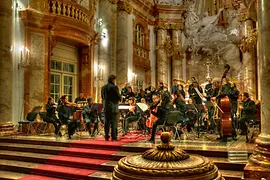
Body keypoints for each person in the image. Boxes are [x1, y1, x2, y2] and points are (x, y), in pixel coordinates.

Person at [102, 74, 121, 141]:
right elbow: (119, 97)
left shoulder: (103, 87)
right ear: (113, 80)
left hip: (106, 107)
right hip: (113, 107)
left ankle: (106, 136)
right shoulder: (114, 87)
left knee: (106, 122)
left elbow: (102, 97)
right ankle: (114, 137)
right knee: (114, 122)